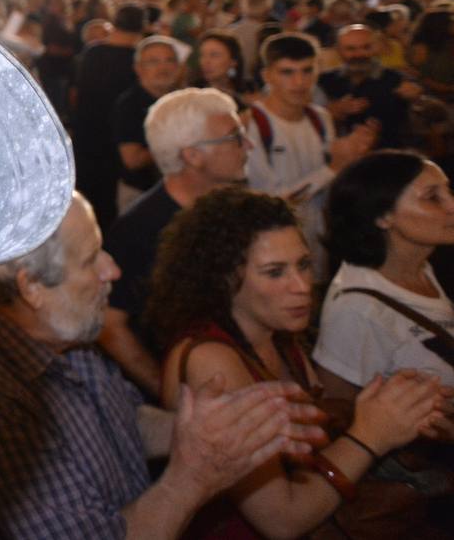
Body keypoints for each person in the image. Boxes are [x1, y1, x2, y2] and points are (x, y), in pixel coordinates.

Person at [0, 192, 326, 540]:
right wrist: (194, 475)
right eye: (92, 259)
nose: (112, 270)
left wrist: (230, 428)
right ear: (32, 287)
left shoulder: (58, 328)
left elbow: (125, 418)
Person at [147, 186, 449, 539]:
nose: (302, 286)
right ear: (224, 279)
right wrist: (371, 434)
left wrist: (399, 410)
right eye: (275, 272)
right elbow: (282, 519)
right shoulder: (210, 358)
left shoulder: (277, 334)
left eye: (304, 265)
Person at [100, 88, 249, 397]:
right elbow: (111, 326)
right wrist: (171, 394)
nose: (247, 146)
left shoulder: (233, 207)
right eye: (234, 137)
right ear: (192, 155)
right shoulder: (137, 230)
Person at [315, 151, 454, 394]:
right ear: (383, 216)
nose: (451, 204)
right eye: (433, 197)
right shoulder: (356, 309)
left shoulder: (424, 266)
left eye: (448, 191)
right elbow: (342, 406)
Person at [245, 33, 376, 277]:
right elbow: (271, 201)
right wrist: (334, 168)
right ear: (267, 76)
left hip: (318, 248)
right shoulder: (252, 124)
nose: (299, 82)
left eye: (307, 71)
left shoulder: (320, 117)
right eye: (287, 72)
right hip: (273, 255)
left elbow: (330, 185)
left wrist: (354, 156)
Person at [72, 4, 144, 229]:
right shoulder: (137, 62)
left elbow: (75, 92)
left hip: (87, 136)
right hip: (115, 142)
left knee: (88, 201)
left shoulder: (93, 53)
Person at [317, 24, 421, 151]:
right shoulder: (324, 80)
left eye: (366, 47)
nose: (359, 54)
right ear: (338, 50)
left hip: (387, 153)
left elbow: (418, 112)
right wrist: (333, 111)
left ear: (377, 47)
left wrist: (416, 98)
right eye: (350, 49)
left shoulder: (398, 80)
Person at [112, 36, 182, 214]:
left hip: (179, 191)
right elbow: (133, 160)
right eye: (153, 62)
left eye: (169, 60)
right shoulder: (129, 105)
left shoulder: (182, 100)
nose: (163, 68)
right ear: (138, 69)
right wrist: (181, 141)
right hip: (141, 194)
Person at [190, 30, 254, 107]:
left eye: (214, 55)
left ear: (233, 61)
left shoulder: (249, 91)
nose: (206, 61)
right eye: (203, 55)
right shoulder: (192, 93)